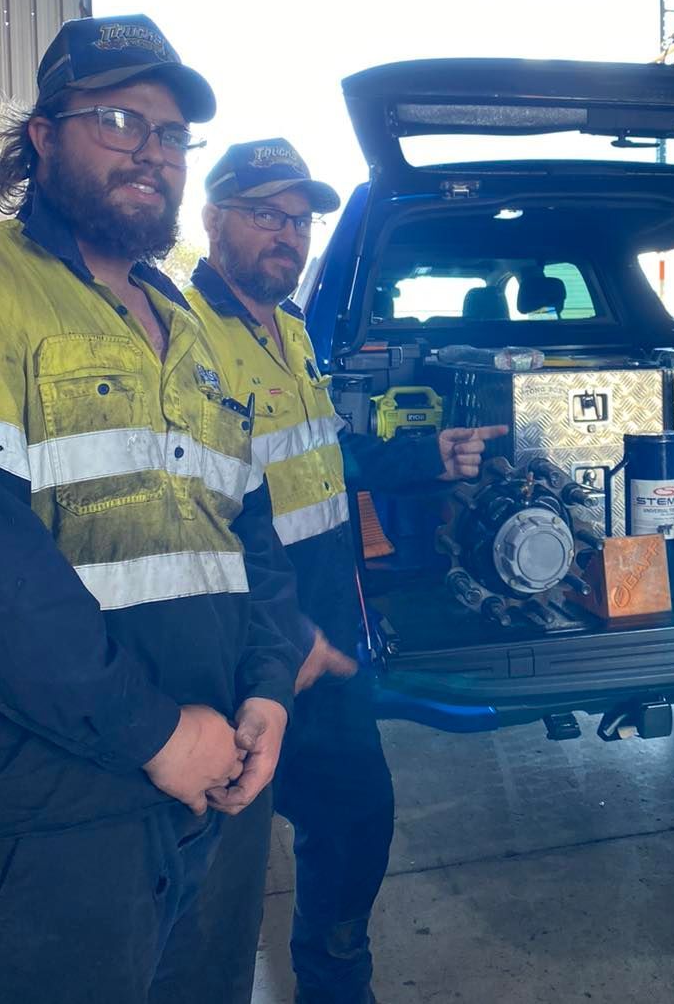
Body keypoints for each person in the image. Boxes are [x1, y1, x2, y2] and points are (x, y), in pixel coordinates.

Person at [0, 17, 304, 1003]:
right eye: (119, 120)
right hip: (58, 808)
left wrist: (271, 690)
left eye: (168, 135)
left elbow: (254, 536)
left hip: (221, 783)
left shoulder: (196, 328)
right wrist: (154, 733)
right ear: (43, 136)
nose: (149, 151)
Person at [185, 139, 504, 1004]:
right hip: (244, 638)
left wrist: (426, 456)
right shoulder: (184, 337)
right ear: (212, 218)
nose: (287, 234)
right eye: (264, 213)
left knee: (355, 818)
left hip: (322, 627)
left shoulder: (287, 331)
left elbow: (327, 455)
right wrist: (283, 635)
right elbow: (193, 513)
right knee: (218, 851)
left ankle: (333, 982)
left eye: (299, 219)